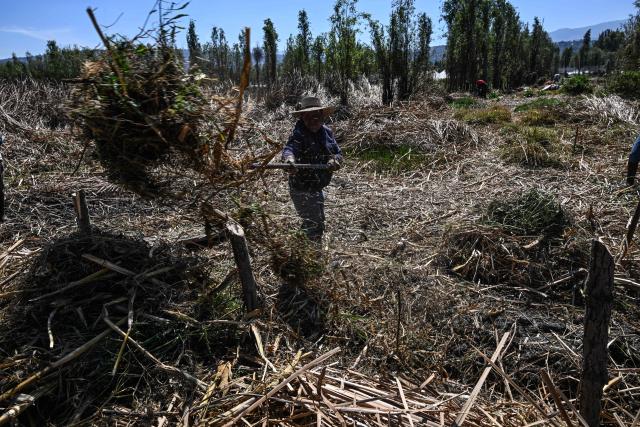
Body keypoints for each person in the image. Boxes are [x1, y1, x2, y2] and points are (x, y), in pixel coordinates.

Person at [281, 96, 342, 242]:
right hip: (301, 188)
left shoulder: (326, 132)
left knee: (319, 221)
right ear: (302, 117)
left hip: (317, 186)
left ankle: (303, 247)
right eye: (308, 116)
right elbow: (289, 149)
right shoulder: (299, 133)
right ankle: (304, 253)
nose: (313, 120)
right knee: (314, 224)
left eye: (316, 116)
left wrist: (334, 160)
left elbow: (337, 153)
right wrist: (290, 161)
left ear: (322, 115)